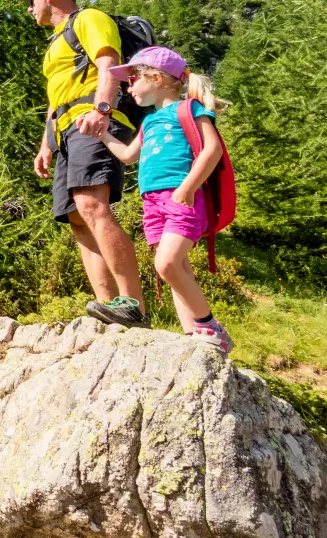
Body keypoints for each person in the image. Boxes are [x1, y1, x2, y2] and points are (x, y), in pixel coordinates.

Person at [19, 0, 147, 327]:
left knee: (92, 205)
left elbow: (109, 64)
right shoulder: (55, 42)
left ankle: (133, 305)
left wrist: (103, 110)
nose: (29, 8)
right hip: (65, 132)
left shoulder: (89, 19)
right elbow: (55, 97)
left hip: (92, 123)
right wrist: (46, 143)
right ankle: (107, 308)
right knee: (77, 217)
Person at [95, 47, 234, 352]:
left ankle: (210, 327)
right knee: (175, 268)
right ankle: (193, 339)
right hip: (152, 203)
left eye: (133, 79)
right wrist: (104, 135)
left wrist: (186, 187)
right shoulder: (148, 123)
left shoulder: (190, 109)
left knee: (167, 263)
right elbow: (128, 157)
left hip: (181, 196)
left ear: (157, 78)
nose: (128, 87)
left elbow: (212, 150)